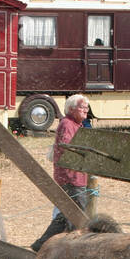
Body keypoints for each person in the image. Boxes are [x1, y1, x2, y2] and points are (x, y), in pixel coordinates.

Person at [30, 95, 90, 250]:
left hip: (77, 176)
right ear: (71, 109)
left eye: (87, 107)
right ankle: (48, 244)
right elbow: (66, 146)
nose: (86, 110)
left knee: (68, 215)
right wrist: (87, 152)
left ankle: (46, 244)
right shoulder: (67, 124)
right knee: (75, 215)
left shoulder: (77, 125)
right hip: (71, 177)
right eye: (82, 107)